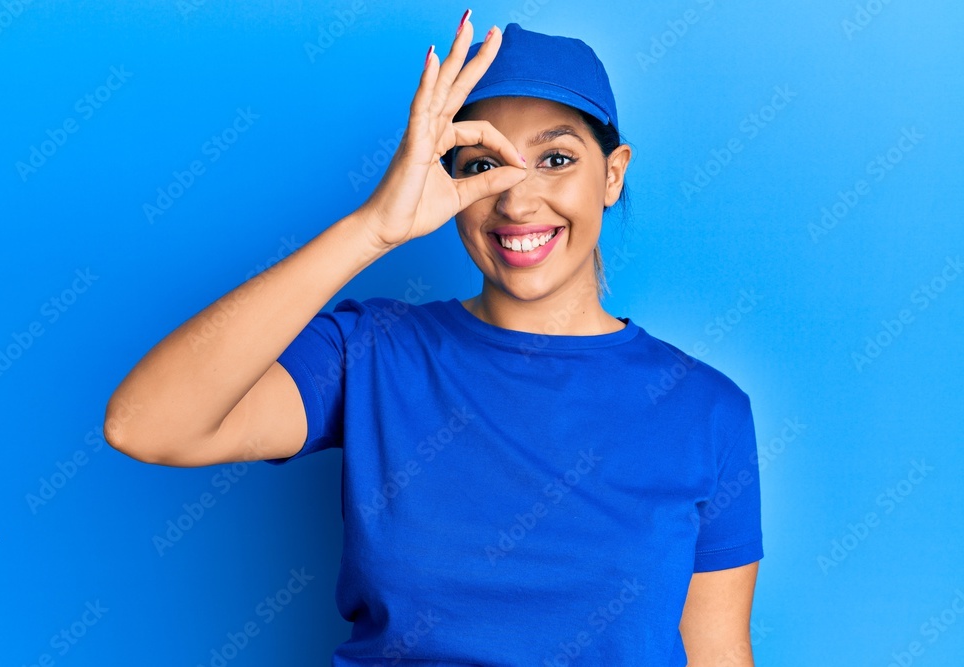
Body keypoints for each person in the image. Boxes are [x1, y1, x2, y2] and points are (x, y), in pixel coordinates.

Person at [104, 12, 763, 666]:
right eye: (483, 164)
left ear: (613, 174)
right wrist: (372, 228)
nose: (517, 199)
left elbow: (719, 654)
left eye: (555, 158)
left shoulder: (705, 410)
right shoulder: (370, 353)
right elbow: (146, 422)